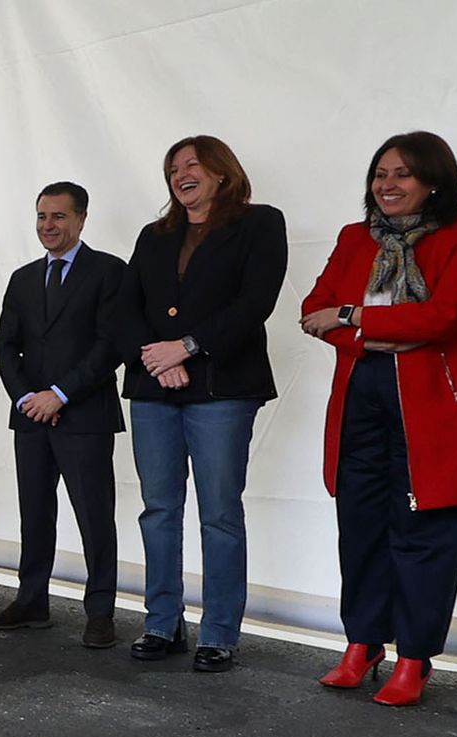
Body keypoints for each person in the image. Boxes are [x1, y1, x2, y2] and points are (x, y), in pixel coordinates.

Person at [300, 131, 457, 706]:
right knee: (360, 524)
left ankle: (415, 657)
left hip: (434, 408)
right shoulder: (353, 237)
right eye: (380, 174)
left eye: (403, 174)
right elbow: (313, 310)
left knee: (425, 533)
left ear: (433, 180)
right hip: (362, 392)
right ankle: (363, 644)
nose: (387, 184)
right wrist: (378, 332)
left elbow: (443, 317)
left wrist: (355, 315)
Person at [118, 135, 286, 673]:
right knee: (159, 510)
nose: (181, 174)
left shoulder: (260, 223)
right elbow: (125, 307)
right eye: (172, 168)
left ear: (221, 172)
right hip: (154, 390)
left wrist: (186, 348)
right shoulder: (154, 234)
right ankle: (161, 623)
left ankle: (219, 633)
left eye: (192, 164)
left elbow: (255, 302)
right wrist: (157, 359)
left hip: (222, 388)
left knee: (219, 513)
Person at [0, 181, 126, 648]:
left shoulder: (108, 272)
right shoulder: (24, 277)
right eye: (42, 216)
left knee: (94, 515)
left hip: (84, 415)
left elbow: (112, 344)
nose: (49, 226)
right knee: (35, 512)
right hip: (30, 416)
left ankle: (101, 611)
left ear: (82, 219)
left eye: (59, 217)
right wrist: (28, 396)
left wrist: (60, 395)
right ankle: (32, 601)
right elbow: (5, 344)